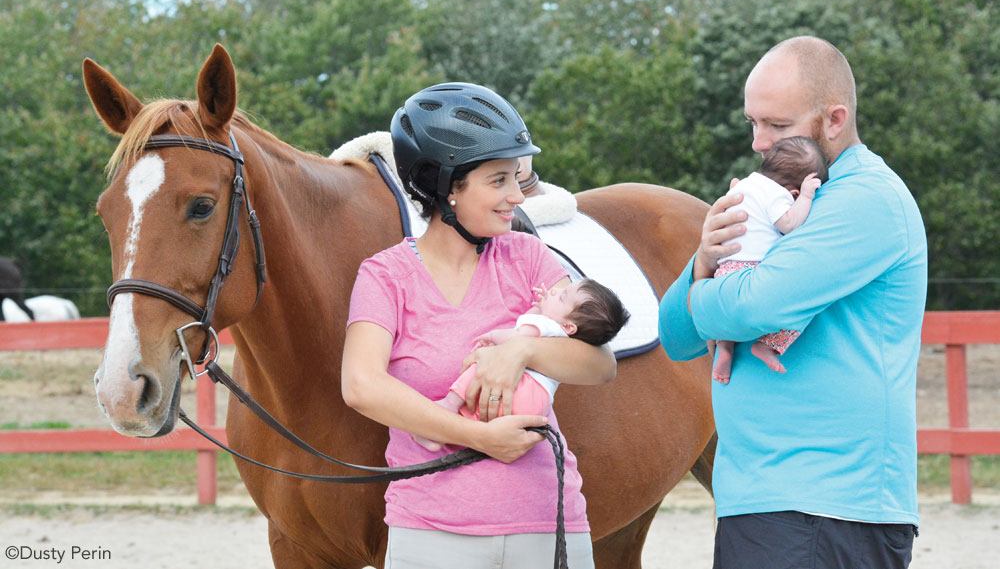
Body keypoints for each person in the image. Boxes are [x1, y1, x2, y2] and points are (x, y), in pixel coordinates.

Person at [657, 36, 927, 569]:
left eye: (777, 126)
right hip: (763, 501)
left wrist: (704, 284)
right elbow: (674, 335)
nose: (759, 142)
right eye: (752, 122)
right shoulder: (777, 199)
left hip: (828, 505)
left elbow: (753, 308)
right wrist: (706, 261)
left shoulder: (866, 201)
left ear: (834, 119)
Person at [342, 82, 615, 569]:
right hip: (430, 532)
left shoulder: (528, 256)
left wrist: (519, 351)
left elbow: (599, 364)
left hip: (548, 521)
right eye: (498, 181)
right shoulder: (384, 276)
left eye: (516, 179)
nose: (516, 196)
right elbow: (362, 386)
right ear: (445, 185)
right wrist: (479, 438)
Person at [413, 279, 629, 451]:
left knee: (485, 361)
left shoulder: (544, 324)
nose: (554, 291)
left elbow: (517, 338)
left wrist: (492, 337)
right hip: (536, 403)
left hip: (520, 387)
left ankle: (448, 406)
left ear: (570, 326)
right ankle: (457, 437)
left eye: (562, 297)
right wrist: (543, 307)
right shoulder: (567, 339)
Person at [711, 136, 827, 384]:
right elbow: (789, 225)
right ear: (792, 191)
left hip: (723, 273)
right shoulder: (779, 195)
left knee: (729, 316)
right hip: (753, 272)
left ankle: (725, 346)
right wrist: (806, 198)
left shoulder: (744, 185)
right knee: (802, 304)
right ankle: (768, 345)